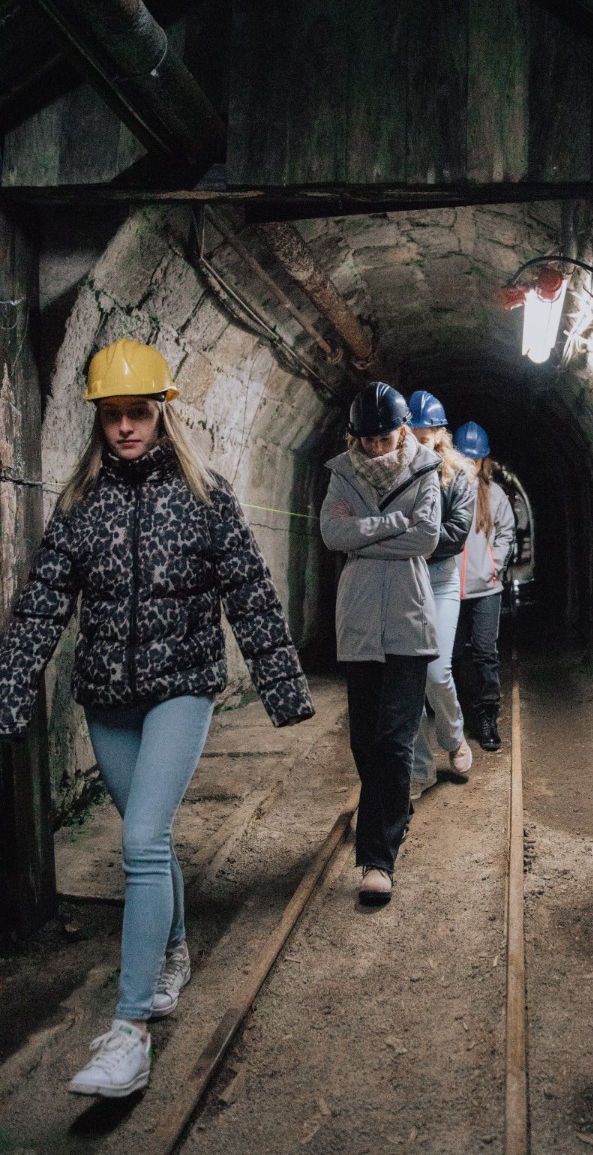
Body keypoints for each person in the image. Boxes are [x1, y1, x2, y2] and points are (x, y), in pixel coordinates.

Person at [0, 337, 315, 1099]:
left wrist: (282, 690)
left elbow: (250, 593)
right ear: (98, 419)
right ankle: (172, 950)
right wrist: (8, 693)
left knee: (140, 840)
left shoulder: (205, 498)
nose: (125, 427)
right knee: (152, 837)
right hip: (107, 698)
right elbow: (42, 606)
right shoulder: (80, 506)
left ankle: (130, 1031)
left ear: (162, 413)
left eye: (137, 413)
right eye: (112, 414)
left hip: (181, 689)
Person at [319, 381, 441, 906]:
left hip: (409, 621)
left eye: (383, 438)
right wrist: (393, 523)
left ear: (402, 430)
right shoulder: (342, 472)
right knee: (364, 741)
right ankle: (391, 807)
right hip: (360, 621)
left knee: (394, 740)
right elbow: (332, 534)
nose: (374, 447)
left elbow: (426, 537)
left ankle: (377, 859)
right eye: (366, 440)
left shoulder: (426, 471)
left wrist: (363, 533)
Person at [407, 391, 477, 799]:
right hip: (402, 579)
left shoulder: (458, 476)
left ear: (439, 433)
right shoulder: (393, 468)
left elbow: (456, 533)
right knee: (407, 679)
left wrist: (408, 540)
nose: (421, 439)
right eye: (413, 433)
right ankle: (419, 769)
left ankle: (453, 737)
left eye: (427, 433)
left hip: (439, 579)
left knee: (436, 671)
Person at [453, 422, 516, 753]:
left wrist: (494, 565)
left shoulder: (494, 495)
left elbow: (506, 532)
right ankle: (451, 718)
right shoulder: (443, 489)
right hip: (449, 588)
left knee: (484, 654)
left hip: (486, 590)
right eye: (464, 459)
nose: (470, 466)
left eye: (474, 460)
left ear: (483, 461)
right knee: (448, 656)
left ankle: (487, 716)